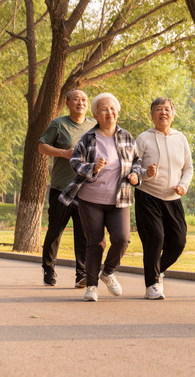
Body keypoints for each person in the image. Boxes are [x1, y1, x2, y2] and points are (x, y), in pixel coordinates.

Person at [60, 93, 142, 302]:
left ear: (118, 112)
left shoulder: (126, 137)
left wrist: (136, 175)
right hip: (90, 200)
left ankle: (108, 272)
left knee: (122, 239)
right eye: (104, 110)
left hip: (119, 199)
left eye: (113, 109)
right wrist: (92, 167)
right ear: (95, 114)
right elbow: (75, 162)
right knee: (95, 243)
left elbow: (137, 161)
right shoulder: (88, 138)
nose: (109, 113)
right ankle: (92, 286)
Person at [135, 97, 193, 300]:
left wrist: (183, 185)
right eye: (158, 110)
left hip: (173, 197)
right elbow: (132, 168)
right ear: (152, 115)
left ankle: (157, 271)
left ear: (173, 114)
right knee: (155, 238)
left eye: (167, 109)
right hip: (148, 196)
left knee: (178, 241)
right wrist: (145, 173)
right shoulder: (143, 138)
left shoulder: (181, 138)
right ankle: (152, 285)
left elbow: (188, 168)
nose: (163, 113)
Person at [38, 90, 95, 287]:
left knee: (83, 233)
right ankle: (49, 269)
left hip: (85, 188)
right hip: (61, 188)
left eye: (84, 100)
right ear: (67, 103)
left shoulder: (93, 126)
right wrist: (64, 153)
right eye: (76, 99)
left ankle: (82, 273)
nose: (81, 103)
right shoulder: (58, 124)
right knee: (55, 230)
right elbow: (41, 146)